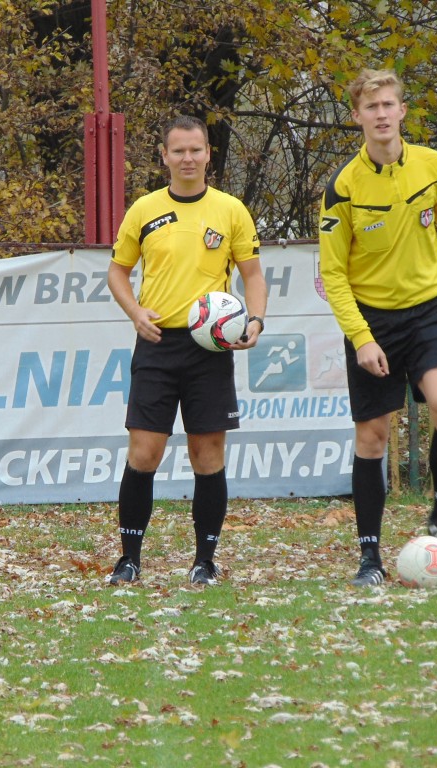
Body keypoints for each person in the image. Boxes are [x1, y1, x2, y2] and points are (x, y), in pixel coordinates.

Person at [318, 68, 437, 586]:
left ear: (402, 111)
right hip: (373, 321)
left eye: (389, 105)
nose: (381, 114)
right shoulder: (341, 188)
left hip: (427, 313)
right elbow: (333, 274)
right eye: (371, 107)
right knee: (373, 438)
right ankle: (369, 557)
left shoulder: (434, 166)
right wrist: (361, 338)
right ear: (356, 116)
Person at [106, 115, 268, 586]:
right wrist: (136, 312)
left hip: (210, 349)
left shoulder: (231, 210)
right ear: (164, 156)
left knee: (208, 455)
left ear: (209, 153)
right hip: (158, 344)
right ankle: (130, 558)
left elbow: (253, 276)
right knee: (144, 452)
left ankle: (205, 561)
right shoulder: (144, 209)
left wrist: (255, 319)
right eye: (178, 151)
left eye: (195, 150)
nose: (188, 158)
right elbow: (117, 272)